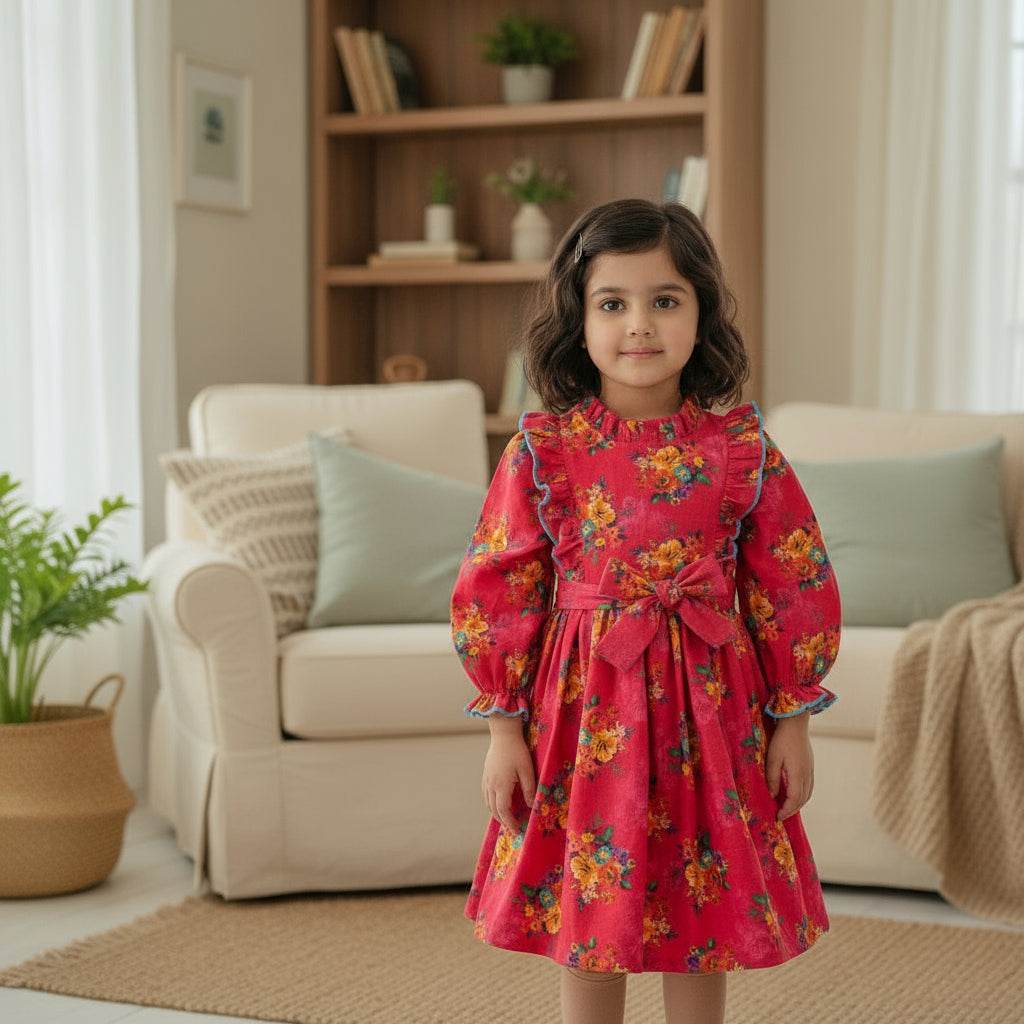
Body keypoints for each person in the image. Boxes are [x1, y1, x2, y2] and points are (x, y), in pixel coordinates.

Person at [450, 198, 841, 1024]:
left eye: (665, 300)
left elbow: (790, 581)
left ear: (701, 313)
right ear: (578, 321)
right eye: (612, 303)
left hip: (714, 720)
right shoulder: (543, 454)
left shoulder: (742, 449)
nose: (639, 325)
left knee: (702, 905)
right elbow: (498, 590)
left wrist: (793, 718)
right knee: (594, 906)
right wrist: (502, 730)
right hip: (585, 719)